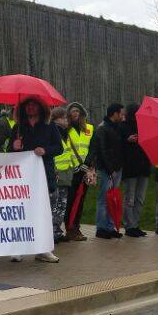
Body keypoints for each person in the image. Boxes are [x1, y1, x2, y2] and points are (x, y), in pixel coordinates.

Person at [5, 97, 62, 262]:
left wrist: (45, 150)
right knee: (22, 213)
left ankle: (43, 250)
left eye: (33, 105)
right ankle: (18, 248)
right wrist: (14, 147)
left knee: (44, 213)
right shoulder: (18, 127)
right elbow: (10, 152)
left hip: (44, 174)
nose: (30, 108)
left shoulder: (49, 125)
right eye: (27, 105)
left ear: (40, 107)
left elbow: (58, 147)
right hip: (24, 178)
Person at [86, 103, 126, 238]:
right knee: (103, 199)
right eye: (121, 113)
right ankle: (101, 228)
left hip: (117, 168)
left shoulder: (117, 127)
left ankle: (110, 227)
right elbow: (102, 151)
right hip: (106, 170)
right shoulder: (102, 128)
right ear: (114, 113)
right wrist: (110, 170)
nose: (122, 116)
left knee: (112, 198)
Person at [63, 102, 95, 240]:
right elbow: (64, 149)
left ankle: (77, 227)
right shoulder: (66, 129)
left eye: (77, 111)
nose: (75, 113)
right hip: (71, 170)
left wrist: (87, 164)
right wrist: (73, 165)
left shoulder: (89, 128)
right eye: (72, 111)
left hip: (85, 170)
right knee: (70, 200)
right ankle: (69, 228)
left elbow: (93, 148)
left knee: (81, 200)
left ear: (82, 113)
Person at [120, 104, 150, 238]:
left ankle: (135, 224)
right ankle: (129, 225)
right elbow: (117, 144)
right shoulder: (123, 126)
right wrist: (127, 140)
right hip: (130, 167)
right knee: (130, 198)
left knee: (139, 198)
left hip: (143, 167)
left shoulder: (145, 126)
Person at [50, 107, 74, 243]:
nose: (66, 120)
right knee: (55, 204)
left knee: (62, 204)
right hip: (57, 172)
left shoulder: (65, 133)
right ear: (56, 119)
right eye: (64, 118)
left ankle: (58, 231)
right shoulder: (53, 132)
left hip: (66, 171)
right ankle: (52, 232)